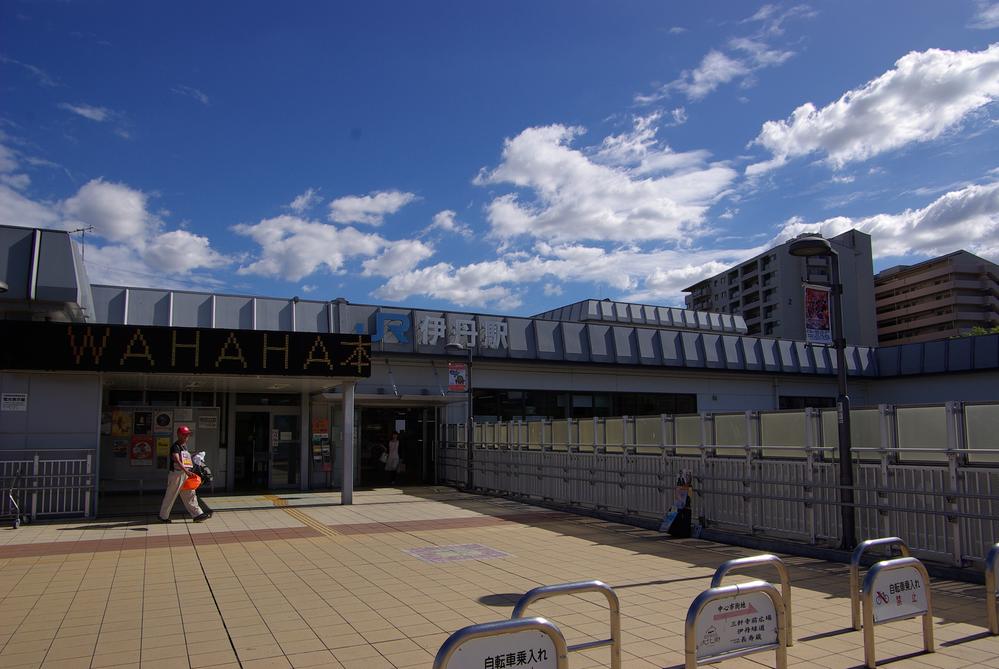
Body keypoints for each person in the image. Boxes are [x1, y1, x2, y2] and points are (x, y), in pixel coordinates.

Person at [158, 425, 210, 523]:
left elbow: (185, 458)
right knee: (171, 495)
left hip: (185, 474)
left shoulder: (184, 446)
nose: (187, 437)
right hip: (176, 475)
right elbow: (176, 459)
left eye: (188, 435)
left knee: (190, 494)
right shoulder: (175, 446)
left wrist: (195, 456)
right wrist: (186, 471)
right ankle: (163, 516)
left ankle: (197, 514)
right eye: (184, 435)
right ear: (179, 435)